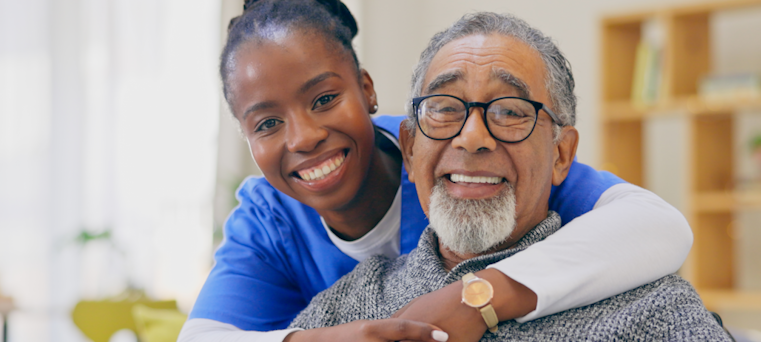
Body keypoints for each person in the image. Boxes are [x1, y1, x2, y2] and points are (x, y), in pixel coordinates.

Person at [179, 1, 693, 341]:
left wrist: (478, 297)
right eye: (267, 122)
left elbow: (660, 226)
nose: (304, 136)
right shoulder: (323, 280)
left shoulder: (652, 308)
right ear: (411, 138)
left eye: (510, 110)